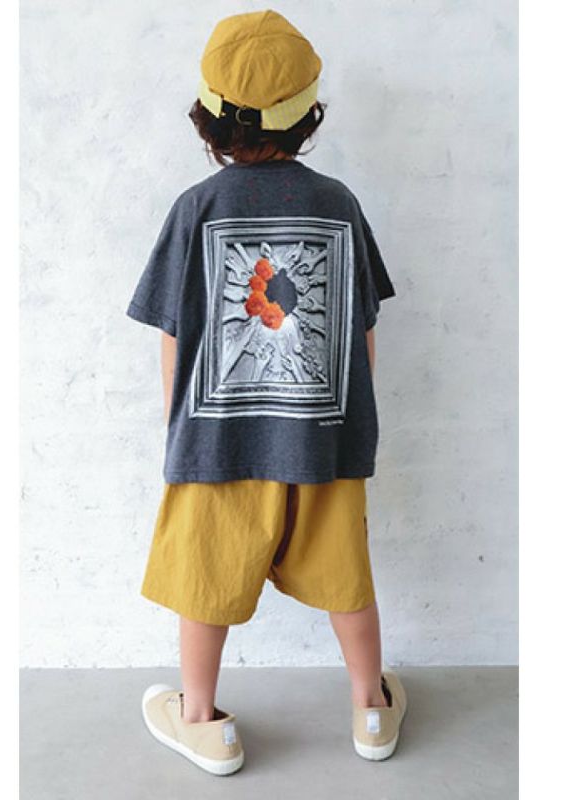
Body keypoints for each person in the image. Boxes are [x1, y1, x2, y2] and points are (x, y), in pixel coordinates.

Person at [128, 9, 406, 776]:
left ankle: (201, 721)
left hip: (218, 442)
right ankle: (370, 710)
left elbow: (174, 336)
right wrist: (353, 426)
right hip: (325, 439)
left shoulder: (196, 209)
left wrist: (179, 429)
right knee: (346, 576)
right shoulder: (339, 204)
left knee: (206, 579)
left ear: (209, 114)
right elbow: (362, 330)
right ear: (308, 113)